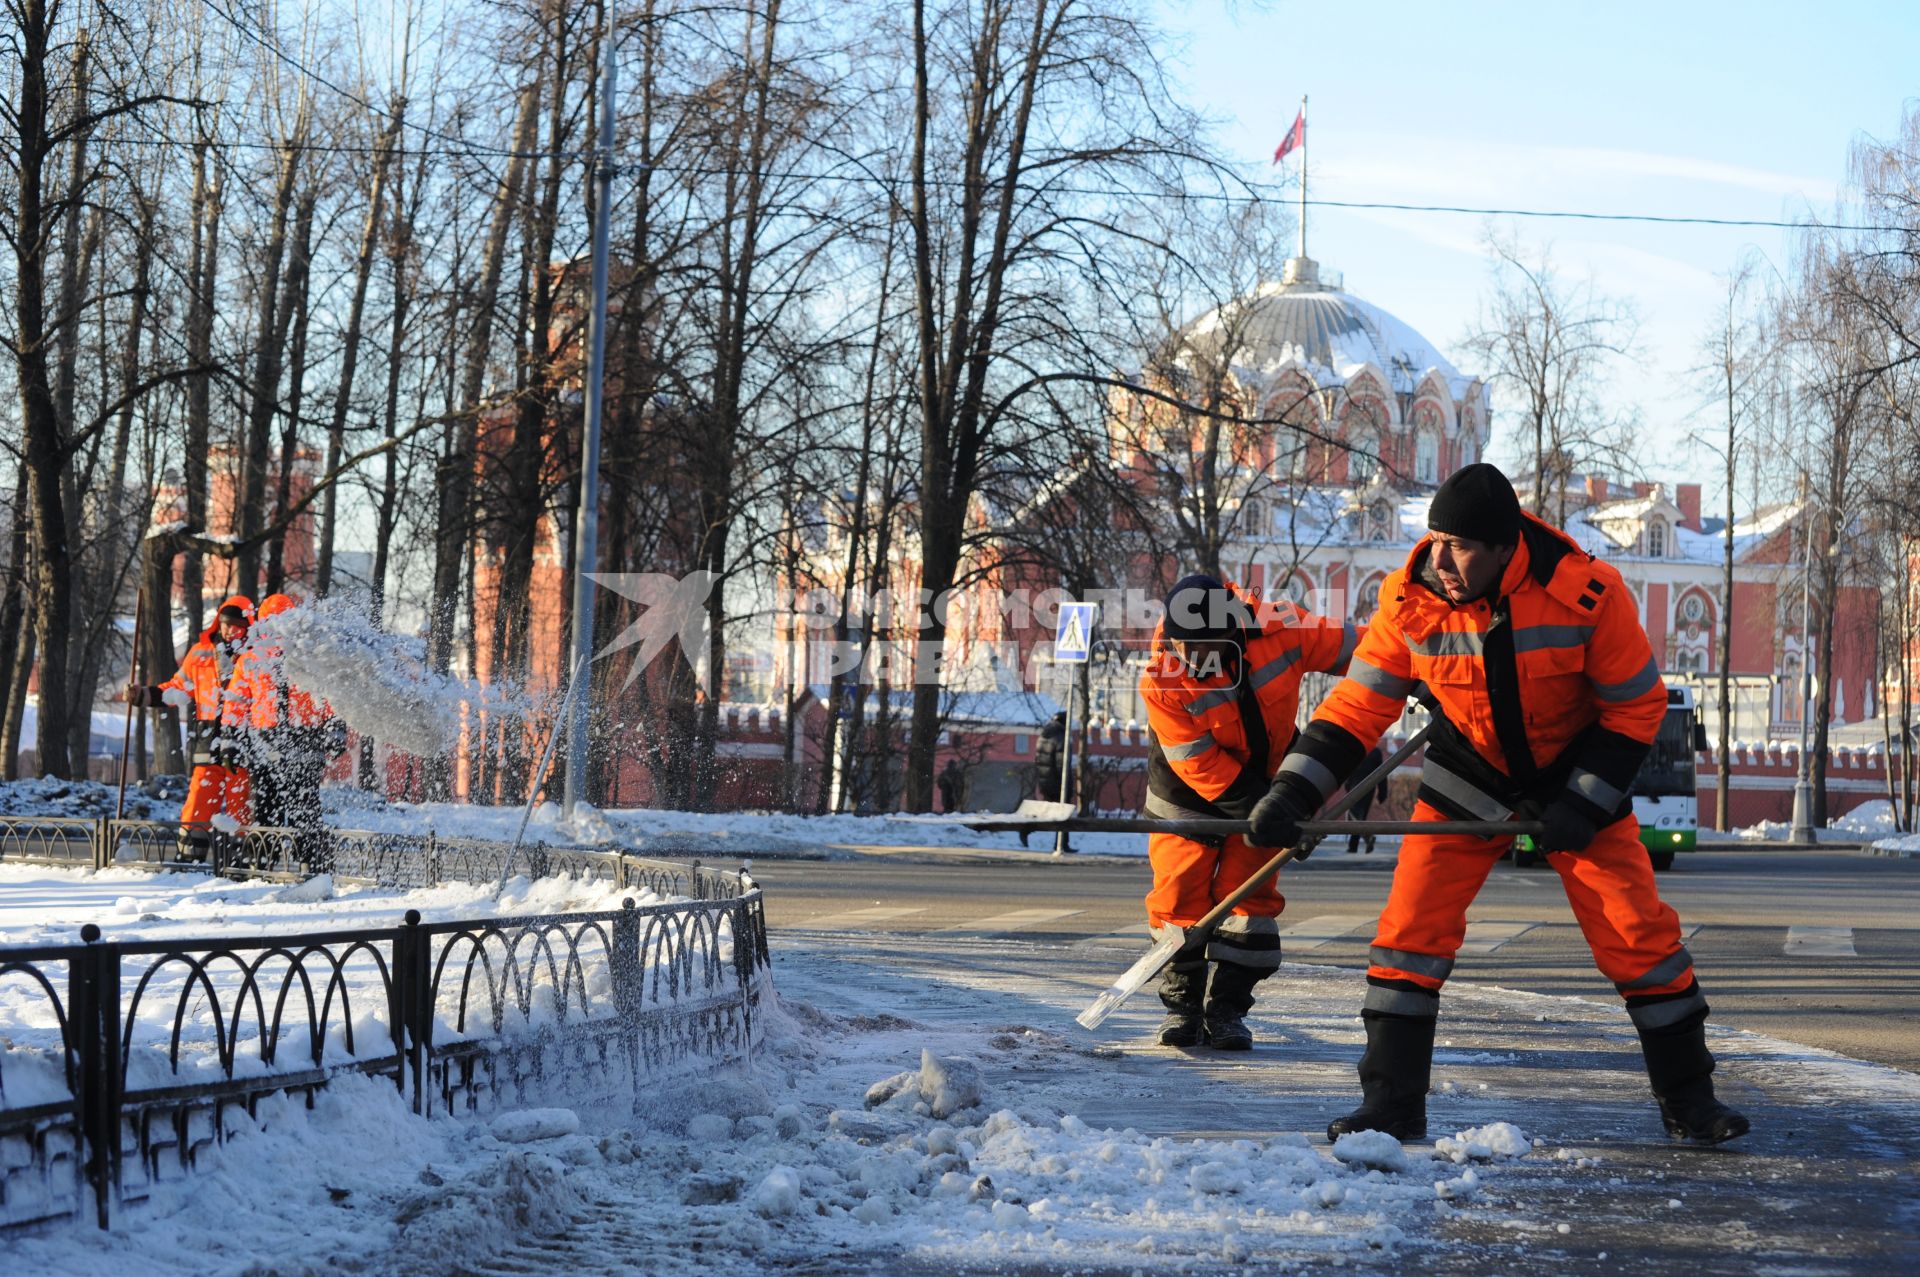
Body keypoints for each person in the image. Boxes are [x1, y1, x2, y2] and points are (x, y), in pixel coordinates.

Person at [1251, 464, 1748, 1145]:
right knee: (1409, 933)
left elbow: (1637, 706)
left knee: (1641, 939)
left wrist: (1584, 801)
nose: (1441, 559)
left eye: (1461, 546)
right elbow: (1355, 708)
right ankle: (1391, 1105)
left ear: (1505, 545)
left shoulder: (1588, 594)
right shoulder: (1409, 600)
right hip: (1469, 771)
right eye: (1435, 539)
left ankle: (1690, 1102)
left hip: (1574, 772)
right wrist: (1293, 790)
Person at [1139, 573, 1356, 1050]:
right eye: (1182, 648)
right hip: (1188, 796)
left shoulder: (1283, 631)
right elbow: (1201, 765)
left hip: (1269, 782)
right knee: (1180, 902)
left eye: (1201, 651)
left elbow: (1363, 649)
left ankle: (1228, 1011)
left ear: (1231, 630)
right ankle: (1182, 1009)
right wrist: (1277, 812)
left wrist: (1421, 673)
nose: (1189, 660)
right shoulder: (1161, 677)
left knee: (1249, 907)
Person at [128, 595, 256, 862]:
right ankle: (188, 861)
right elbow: (178, 688)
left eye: (235, 625)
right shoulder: (200, 653)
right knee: (197, 804)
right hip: (207, 741)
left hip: (243, 743)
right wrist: (143, 695)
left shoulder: (257, 655)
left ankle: (240, 864)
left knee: (240, 806)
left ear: (247, 626)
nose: (228, 630)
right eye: (225, 624)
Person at [234, 593, 347, 872]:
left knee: (304, 801)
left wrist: (335, 728)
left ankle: (310, 859)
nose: (276, 627)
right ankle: (262, 860)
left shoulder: (311, 655)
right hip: (265, 737)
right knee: (266, 802)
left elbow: (331, 694)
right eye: (271, 621)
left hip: (304, 736)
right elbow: (237, 701)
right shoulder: (250, 659)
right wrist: (231, 738)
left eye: (281, 621)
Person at [1019, 712, 1068, 848]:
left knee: (1051, 811)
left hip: (1045, 780)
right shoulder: (1060, 737)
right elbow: (1061, 764)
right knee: (1062, 813)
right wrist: (1066, 783)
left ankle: (1063, 843)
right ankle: (1027, 829)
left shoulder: (1044, 734)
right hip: (1058, 782)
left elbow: (1039, 758)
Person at [1344, 744, 1386, 854]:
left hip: (1355, 787)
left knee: (1354, 816)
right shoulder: (1376, 752)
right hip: (1369, 789)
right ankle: (1353, 846)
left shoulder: (1354, 749)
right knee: (1359, 816)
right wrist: (1382, 792)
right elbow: (1382, 773)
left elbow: (1347, 770)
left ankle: (1367, 837)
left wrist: (1347, 786)